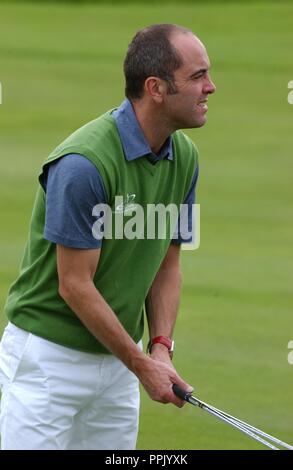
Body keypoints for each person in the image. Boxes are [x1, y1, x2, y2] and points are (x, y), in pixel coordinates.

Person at [0, 23, 216, 450]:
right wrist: (140, 363)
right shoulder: (84, 164)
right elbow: (74, 284)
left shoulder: (184, 157)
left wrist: (159, 347)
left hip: (119, 363)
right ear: (155, 88)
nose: (210, 87)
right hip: (49, 360)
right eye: (197, 76)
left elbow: (167, 262)